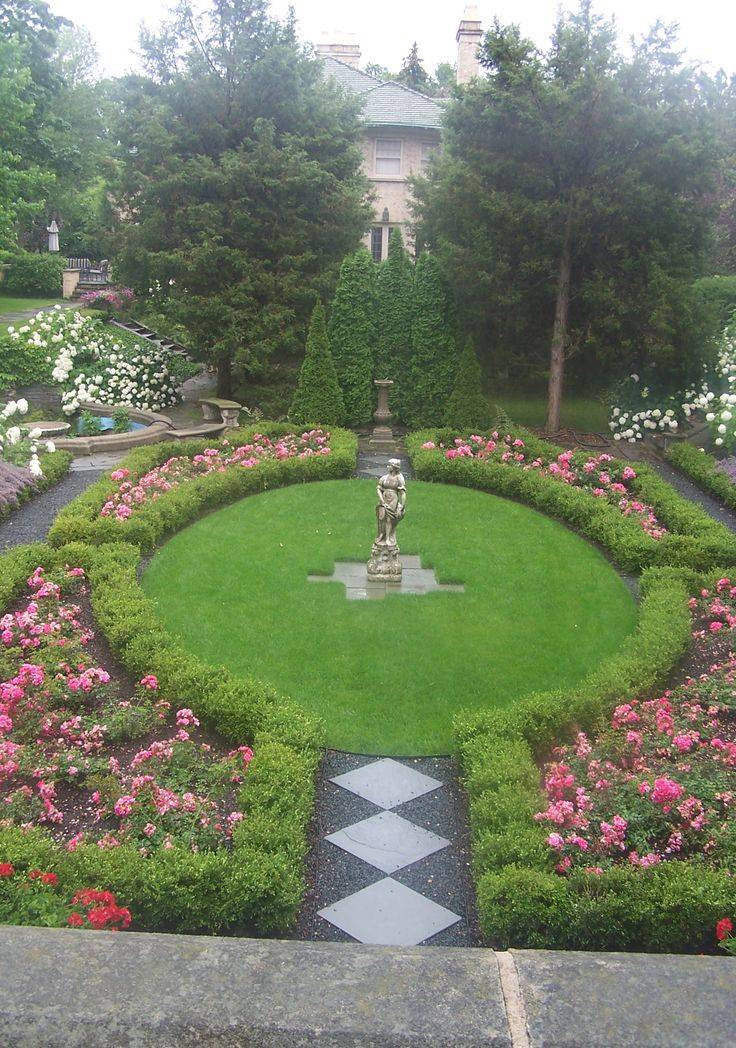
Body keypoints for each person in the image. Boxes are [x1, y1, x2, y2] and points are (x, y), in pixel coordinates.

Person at [375, 458, 406, 547]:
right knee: (381, 517)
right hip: (384, 498)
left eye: (389, 465)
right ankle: (381, 535)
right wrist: (381, 499)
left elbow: (403, 493)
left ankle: (388, 537)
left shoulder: (399, 478)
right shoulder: (384, 478)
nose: (387, 467)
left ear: (394, 467)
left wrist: (402, 506)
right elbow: (378, 489)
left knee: (389, 518)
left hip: (393, 499)